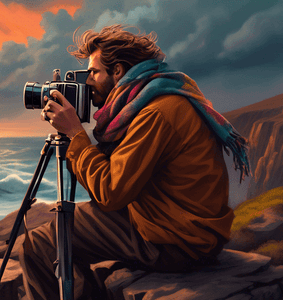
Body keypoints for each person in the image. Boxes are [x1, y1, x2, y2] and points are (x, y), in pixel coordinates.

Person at [18, 24, 250, 300]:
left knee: (37, 244)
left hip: (174, 240)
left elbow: (110, 193)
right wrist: (74, 138)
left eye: (94, 72)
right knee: (66, 233)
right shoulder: (157, 98)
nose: (88, 81)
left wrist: (75, 134)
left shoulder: (155, 113)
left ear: (117, 71)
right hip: (181, 226)